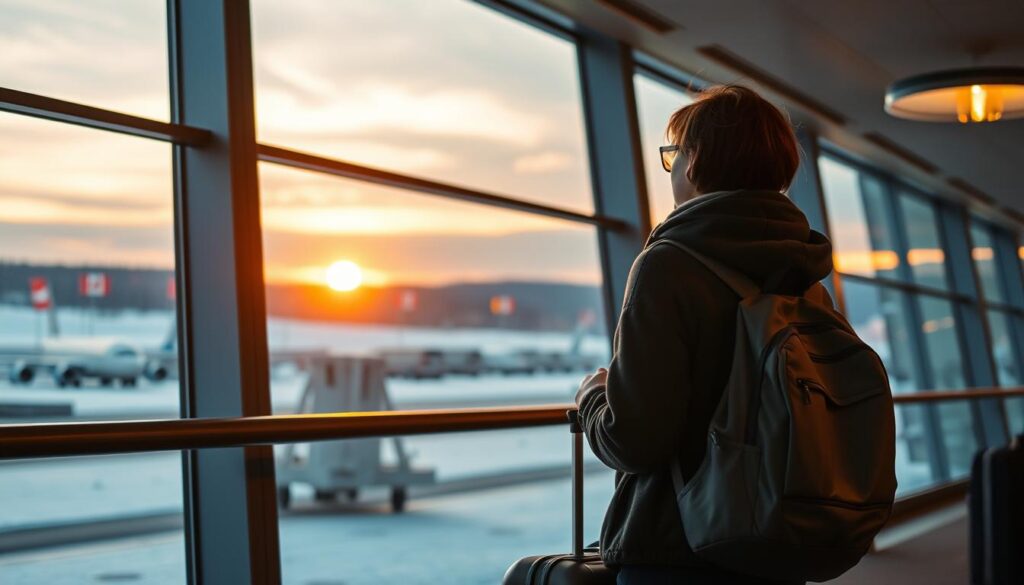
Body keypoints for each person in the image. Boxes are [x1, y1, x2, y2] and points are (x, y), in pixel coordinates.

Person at [574, 85, 833, 585]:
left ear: (693, 162)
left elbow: (636, 439)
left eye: (673, 154)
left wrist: (592, 398)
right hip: (780, 542)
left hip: (681, 549)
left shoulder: (668, 265)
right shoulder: (805, 275)